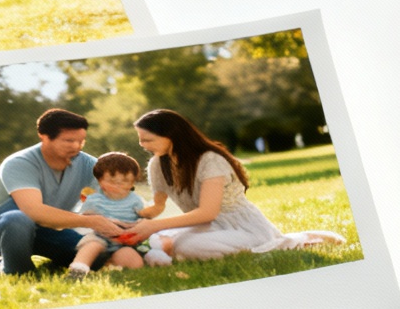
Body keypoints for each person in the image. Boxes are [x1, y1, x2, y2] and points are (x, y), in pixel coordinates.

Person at [122, 109, 346, 262]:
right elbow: (157, 206)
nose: (142, 144)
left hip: (241, 227)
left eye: (147, 139)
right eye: (140, 139)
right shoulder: (157, 165)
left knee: (185, 246)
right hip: (203, 226)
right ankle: (280, 242)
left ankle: (292, 242)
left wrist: (154, 226)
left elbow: (208, 212)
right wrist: (132, 217)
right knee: (162, 239)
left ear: (171, 135)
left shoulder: (209, 160)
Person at [0, 109, 132, 278]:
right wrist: (91, 221)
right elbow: (33, 211)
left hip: (51, 229)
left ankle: (54, 263)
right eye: (69, 141)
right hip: (7, 230)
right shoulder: (19, 163)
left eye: (81, 141)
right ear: (45, 137)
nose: (76, 146)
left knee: (96, 257)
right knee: (18, 222)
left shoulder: (89, 165)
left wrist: (122, 224)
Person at [66, 151, 152, 275]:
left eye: (125, 181)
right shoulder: (94, 199)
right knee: (92, 246)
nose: (118, 186)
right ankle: (78, 270)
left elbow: (144, 219)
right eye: (112, 182)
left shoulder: (136, 200)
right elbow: (84, 218)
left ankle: (109, 263)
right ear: (100, 181)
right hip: (99, 236)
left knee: (135, 264)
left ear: (133, 182)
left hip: (123, 242)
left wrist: (133, 227)